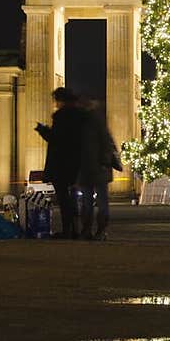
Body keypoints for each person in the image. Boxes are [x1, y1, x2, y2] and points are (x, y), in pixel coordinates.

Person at [35, 87, 87, 238]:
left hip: (60, 163)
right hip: (75, 162)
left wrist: (43, 130)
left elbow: (57, 139)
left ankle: (67, 230)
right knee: (73, 198)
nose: (55, 104)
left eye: (56, 100)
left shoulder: (61, 116)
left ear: (60, 100)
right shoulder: (80, 115)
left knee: (64, 199)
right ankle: (76, 230)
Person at [76, 98, 122, 240]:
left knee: (87, 202)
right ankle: (100, 231)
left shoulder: (80, 124)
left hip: (87, 170)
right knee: (101, 202)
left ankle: (87, 230)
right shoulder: (100, 123)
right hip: (100, 169)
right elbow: (108, 146)